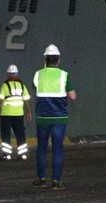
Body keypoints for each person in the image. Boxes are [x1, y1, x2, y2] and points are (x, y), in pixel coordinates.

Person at [31, 44, 76, 189]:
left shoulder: (38, 74)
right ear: (59, 59)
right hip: (59, 118)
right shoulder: (64, 75)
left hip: (42, 118)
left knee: (42, 148)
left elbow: (36, 88)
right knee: (58, 149)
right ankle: (56, 181)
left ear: (44, 59)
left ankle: (41, 179)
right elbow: (73, 96)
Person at [0, 64, 31, 161]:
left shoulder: (5, 86)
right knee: (20, 134)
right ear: (17, 74)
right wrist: (29, 112)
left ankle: (7, 155)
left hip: (6, 114)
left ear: (8, 74)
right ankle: (22, 155)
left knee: (6, 135)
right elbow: (27, 100)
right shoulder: (22, 86)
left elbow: (0, 100)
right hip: (19, 114)